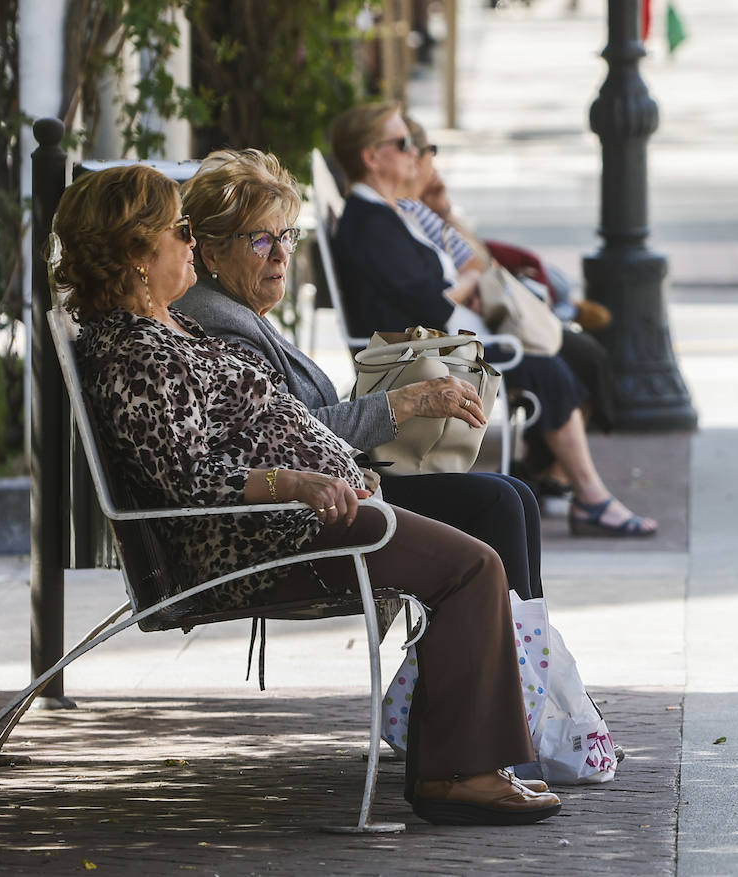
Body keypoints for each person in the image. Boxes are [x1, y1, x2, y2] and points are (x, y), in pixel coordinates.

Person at [52, 163, 560, 826]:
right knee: (472, 565)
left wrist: (338, 470)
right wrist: (293, 479)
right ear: (135, 256)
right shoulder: (142, 350)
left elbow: (247, 432)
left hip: (301, 518)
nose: (189, 243)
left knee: (476, 544)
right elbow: (185, 478)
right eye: (178, 231)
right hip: (266, 537)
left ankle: (469, 763)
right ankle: (460, 773)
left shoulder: (170, 330)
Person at [176, 147, 545, 601]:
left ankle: (518, 656)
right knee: (497, 503)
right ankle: (512, 661)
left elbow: (291, 423)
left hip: (324, 496)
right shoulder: (218, 324)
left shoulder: (234, 310)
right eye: (259, 240)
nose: (280, 255)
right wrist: (408, 401)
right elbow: (289, 440)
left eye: (286, 236)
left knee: (515, 494)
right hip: (293, 523)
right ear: (211, 253)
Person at [329, 102, 658, 538]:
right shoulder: (370, 224)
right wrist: (469, 279)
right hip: (419, 356)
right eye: (404, 143)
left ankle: (570, 485)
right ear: (371, 157)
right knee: (551, 372)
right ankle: (591, 497)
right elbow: (436, 307)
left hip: (440, 345)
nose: (415, 152)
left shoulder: (387, 215)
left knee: (565, 361)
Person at [396, 116, 620, 500]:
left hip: (484, 318)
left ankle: (552, 468)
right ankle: (579, 488)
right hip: (468, 334)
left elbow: (472, 261)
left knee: (579, 355)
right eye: (424, 151)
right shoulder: (401, 214)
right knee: (561, 364)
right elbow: (445, 290)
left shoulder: (422, 210)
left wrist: (447, 216)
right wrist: (468, 283)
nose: (428, 160)